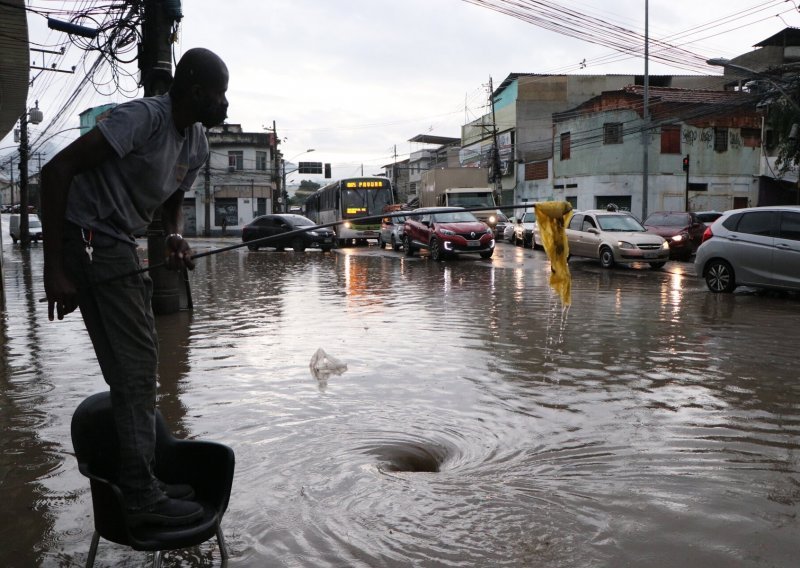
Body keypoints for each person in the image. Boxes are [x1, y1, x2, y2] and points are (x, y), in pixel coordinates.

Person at [41, 48, 229, 527]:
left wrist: (174, 234)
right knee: (137, 371)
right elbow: (56, 171)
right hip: (88, 240)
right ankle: (142, 497)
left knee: (136, 371)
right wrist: (55, 269)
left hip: (121, 245)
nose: (225, 104)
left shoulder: (197, 143)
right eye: (219, 94)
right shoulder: (143, 119)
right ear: (194, 91)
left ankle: (141, 478)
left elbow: (171, 201)